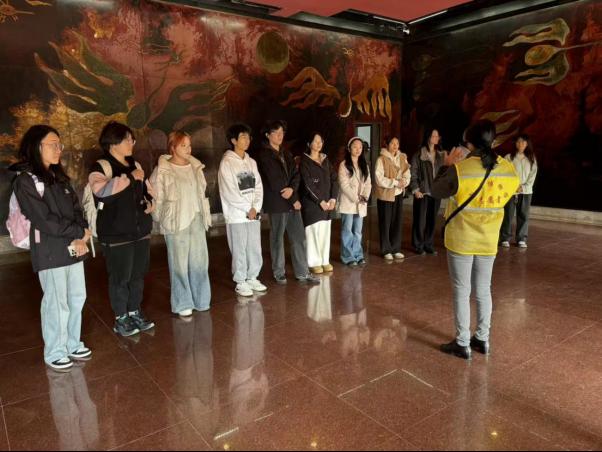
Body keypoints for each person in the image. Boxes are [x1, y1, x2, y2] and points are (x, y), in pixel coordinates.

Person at [432, 120, 519, 360]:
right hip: (488, 239)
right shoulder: (507, 168)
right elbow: (512, 190)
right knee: (483, 290)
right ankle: (482, 338)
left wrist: (446, 165)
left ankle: (462, 342)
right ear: (493, 141)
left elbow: (436, 190)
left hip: (462, 239)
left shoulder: (461, 169)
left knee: (462, 290)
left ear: (469, 144)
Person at [11, 125, 92, 371]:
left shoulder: (59, 177)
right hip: (50, 249)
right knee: (56, 302)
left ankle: (72, 343)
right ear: (36, 147)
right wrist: (77, 232)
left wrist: (82, 234)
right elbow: (43, 219)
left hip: (73, 245)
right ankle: (55, 350)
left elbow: (77, 209)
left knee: (77, 297)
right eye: (53, 145)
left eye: (60, 145)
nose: (58, 149)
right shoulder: (25, 181)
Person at [88, 121, 155, 337]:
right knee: (120, 278)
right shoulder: (101, 167)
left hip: (140, 230)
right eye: (127, 139)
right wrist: (130, 178)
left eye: (132, 139)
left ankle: (135, 311)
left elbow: (147, 190)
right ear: (113, 142)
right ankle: (121, 318)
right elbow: (102, 192)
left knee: (137, 275)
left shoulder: (135, 164)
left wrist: (150, 202)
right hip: (116, 233)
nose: (131, 143)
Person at [150, 131, 212, 317]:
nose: (188, 149)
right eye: (183, 145)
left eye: (189, 145)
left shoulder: (195, 166)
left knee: (200, 261)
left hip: (197, 218)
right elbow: (156, 199)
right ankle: (183, 302)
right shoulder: (163, 169)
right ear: (173, 147)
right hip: (176, 221)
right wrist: (161, 218)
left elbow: (202, 191)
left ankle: (201, 299)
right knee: (179, 264)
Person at [256, 120, 320, 285]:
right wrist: (293, 198)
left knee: (298, 237)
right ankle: (279, 272)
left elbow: (296, 175)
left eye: (282, 132)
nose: (280, 135)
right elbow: (275, 180)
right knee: (277, 238)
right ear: (267, 135)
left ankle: (302, 272)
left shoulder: (286, 153)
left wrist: (293, 192)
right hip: (277, 203)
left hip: (292, 202)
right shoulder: (264, 155)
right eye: (276, 132)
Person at [218, 123, 267, 297]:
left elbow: (259, 186)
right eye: (243, 137)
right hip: (237, 215)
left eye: (248, 137)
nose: (247, 140)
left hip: (253, 213)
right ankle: (240, 280)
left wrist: (255, 207)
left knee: (254, 246)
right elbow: (228, 191)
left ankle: (252, 277)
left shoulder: (251, 162)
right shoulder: (227, 162)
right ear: (233, 140)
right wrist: (247, 208)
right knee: (239, 247)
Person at [300, 132, 339, 274]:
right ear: (309, 143)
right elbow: (307, 184)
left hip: (328, 203)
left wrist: (333, 198)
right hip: (312, 204)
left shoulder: (325, 160)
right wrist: (320, 200)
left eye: (320, 141)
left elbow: (334, 179)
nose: (318, 144)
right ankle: (313, 262)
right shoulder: (304, 162)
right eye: (315, 141)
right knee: (313, 232)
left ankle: (324, 260)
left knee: (325, 232)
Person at [410, 128, 447, 255]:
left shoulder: (441, 155)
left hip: (436, 192)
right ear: (428, 137)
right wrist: (416, 189)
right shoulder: (418, 155)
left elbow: (444, 173)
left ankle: (428, 244)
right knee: (420, 219)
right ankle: (418, 245)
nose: (436, 138)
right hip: (422, 192)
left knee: (432, 219)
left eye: (437, 136)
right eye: (434, 136)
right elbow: (413, 173)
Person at [374, 136, 411, 261]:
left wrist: (404, 181)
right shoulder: (381, 159)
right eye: (392, 143)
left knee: (397, 222)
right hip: (385, 195)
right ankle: (386, 250)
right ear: (387, 144)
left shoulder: (402, 157)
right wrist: (395, 182)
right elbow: (379, 178)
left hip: (398, 193)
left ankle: (396, 249)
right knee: (385, 223)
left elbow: (407, 173)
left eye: (397, 143)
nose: (395, 146)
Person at [338, 137, 372, 267]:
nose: (358, 149)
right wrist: (357, 198)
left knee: (358, 231)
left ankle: (358, 255)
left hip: (361, 203)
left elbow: (368, 183)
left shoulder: (364, 165)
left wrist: (365, 196)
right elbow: (344, 185)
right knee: (347, 230)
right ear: (349, 148)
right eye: (355, 147)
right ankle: (347, 257)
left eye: (360, 147)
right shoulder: (344, 165)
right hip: (349, 202)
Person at [500, 134, 538, 249]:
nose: (520, 144)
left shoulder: (531, 158)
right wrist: (513, 186)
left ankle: (521, 239)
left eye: (523, 142)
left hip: (526, 192)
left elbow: (533, 174)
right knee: (508, 215)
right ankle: (505, 238)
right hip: (511, 191)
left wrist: (524, 187)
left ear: (527, 144)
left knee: (523, 215)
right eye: (518, 142)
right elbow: (504, 172)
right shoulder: (508, 157)